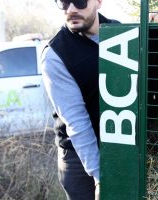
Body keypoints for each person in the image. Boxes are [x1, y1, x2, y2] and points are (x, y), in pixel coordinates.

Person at [41, 0, 118, 199]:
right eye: (64, 2)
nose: (72, 9)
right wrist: (101, 177)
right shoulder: (55, 54)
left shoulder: (122, 34)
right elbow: (77, 122)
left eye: (80, 1)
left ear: (99, 2)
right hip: (79, 154)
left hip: (119, 142)